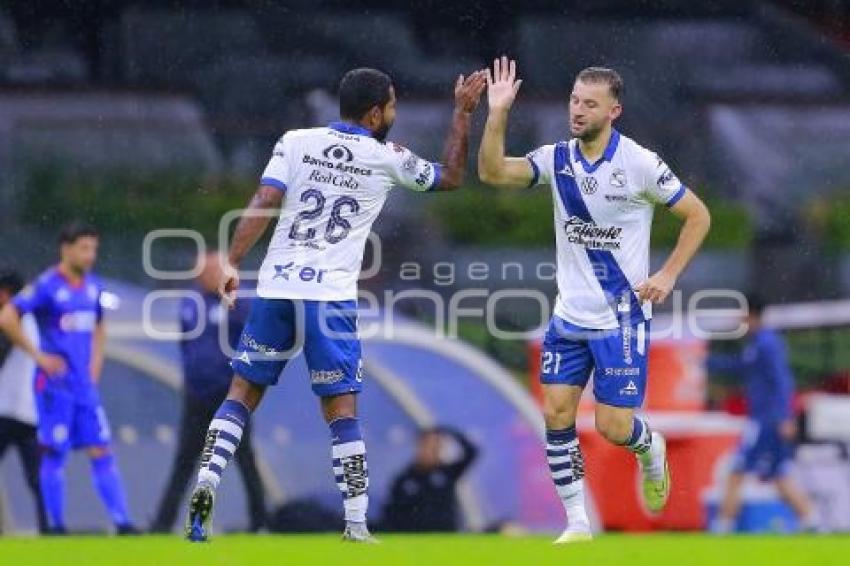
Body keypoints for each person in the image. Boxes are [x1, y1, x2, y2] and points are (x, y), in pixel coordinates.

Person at [184, 67, 487, 543]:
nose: (394, 112)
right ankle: (356, 522)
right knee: (341, 410)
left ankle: (205, 486)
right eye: (391, 105)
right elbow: (449, 177)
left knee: (240, 395)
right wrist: (463, 113)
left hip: (278, 286)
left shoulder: (296, 141)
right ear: (375, 113)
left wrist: (231, 260)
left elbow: (265, 200)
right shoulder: (387, 157)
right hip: (329, 297)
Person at [478, 58, 711, 543]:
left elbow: (699, 216)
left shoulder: (641, 164)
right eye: (574, 101)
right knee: (556, 414)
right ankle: (578, 523)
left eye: (590, 104)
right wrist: (497, 112)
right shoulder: (557, 159)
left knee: (611, 425)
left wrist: (667, 274)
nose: (578, 111)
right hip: (568, 316)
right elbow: (494, 173)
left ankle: (650, 448)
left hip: (621, 316)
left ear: (614, 111)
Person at [0, 222, 137, 535]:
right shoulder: (47, 285)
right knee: (53, 452)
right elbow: (7, 317)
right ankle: (56, 528)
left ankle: (123, 523)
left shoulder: (93, 286)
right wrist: (39, 356)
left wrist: (96, 363)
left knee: (101, 449)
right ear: (66, 248)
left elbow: (100, 326)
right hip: (54, 386)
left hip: (84, 387)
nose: (90, 256)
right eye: (84, 248)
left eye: (94, 249)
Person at [150, 251, 266, 533]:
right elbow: (187, 345)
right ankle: (162, 524)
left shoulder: (240, 303)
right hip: (197, 395)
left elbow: (252, 345)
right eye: (203, 271)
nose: (207, 276)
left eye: (213, 270)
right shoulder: (192, 302)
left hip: (231, 396)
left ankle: (261, 521)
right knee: (185, 459)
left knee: (244, 458)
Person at [707, 295, 816, 533]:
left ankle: (722, 526)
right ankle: (811, 521)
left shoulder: (768, 343)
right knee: (778, 473)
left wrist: (786, 417)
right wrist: (708, 362)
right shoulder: (757, 344)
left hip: (767, 420)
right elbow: (740, 367)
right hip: (769, 418)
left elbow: (781, 380)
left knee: (737, 469)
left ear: (750, 315)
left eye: (741, 314)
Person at [0, 269, 48, 533]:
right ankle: (50, 530)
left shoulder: (14, 317)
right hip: (29, 411)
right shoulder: (33, 319)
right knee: (39, 480)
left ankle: (51, 529)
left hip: (9, 410)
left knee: (39, 479)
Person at [381, 427, 478, 532]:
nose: (432, 451)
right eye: (428, 446)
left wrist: (451, 431)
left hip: (446, 537)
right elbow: (392, 512)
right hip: (415, 539)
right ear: (419, 446)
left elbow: (472, 452)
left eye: (436, 447)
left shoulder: (448, 472)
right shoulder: (404, 479)